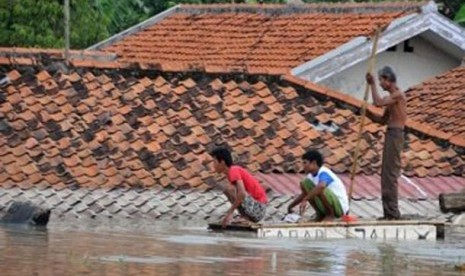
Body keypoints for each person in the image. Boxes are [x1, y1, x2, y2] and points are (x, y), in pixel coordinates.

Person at [366, 66, 407, 220]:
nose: (381, 83)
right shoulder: (392, 98)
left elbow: (377, 102)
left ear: (389, 80)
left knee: (390, 175)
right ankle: (388, 213)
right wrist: (367, 114)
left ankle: (393, 213)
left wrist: (371, 84)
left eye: (382, 80)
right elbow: (382, 120)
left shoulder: (397, 95)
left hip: (396, 135)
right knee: (385, 175)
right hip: (391, 133)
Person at [210, 147, 268, 227]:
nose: (213, 165)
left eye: (214, 162)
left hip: (258, 209)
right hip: (256, 209)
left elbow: (242, 193)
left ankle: (245, 217)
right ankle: (244, 216)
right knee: (229, 189)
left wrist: (229, 213)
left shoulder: (233, 170)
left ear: (222, 162)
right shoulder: (231, 172)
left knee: (229, 189)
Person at [287, 150, 349, 221]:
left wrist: (306, 199)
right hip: (326, 206)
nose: (303, 166)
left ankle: (330, 215)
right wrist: (290, 206)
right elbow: (304, 194)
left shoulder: (324, 172)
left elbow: (321, 186)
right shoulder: (310, 176)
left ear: (313, 163)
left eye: (305, 163)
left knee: (321, 188)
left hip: (339, 207)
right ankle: (320, 214)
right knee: (305, 183)